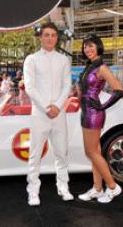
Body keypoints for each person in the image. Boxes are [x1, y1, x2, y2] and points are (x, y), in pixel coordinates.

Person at [24, 22, 73, 206]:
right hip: (40, 113)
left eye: (53, 35)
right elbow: (30, 87)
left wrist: (57, 107)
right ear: (40, 37)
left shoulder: (63, 60)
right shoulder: (32, 59)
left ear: (57, 38)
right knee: (34, 154)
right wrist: (47, 107)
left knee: (61, 152)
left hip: (59, 114)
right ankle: (33, 191)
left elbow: (67, 86)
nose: (50, 38)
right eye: (46, 35)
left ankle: (63, 187)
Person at [77, 34, 123, 203]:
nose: (87, 49)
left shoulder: (101, 68)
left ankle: (113, 187)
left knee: (90, 152)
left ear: (98, 47)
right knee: (94, 152)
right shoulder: (89, 66)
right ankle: (97, 188)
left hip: (94, 113)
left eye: (91, 46)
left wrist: (103, 106)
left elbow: (119, 89)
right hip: (86, 112)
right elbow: (82, 91)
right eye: (85, 46)